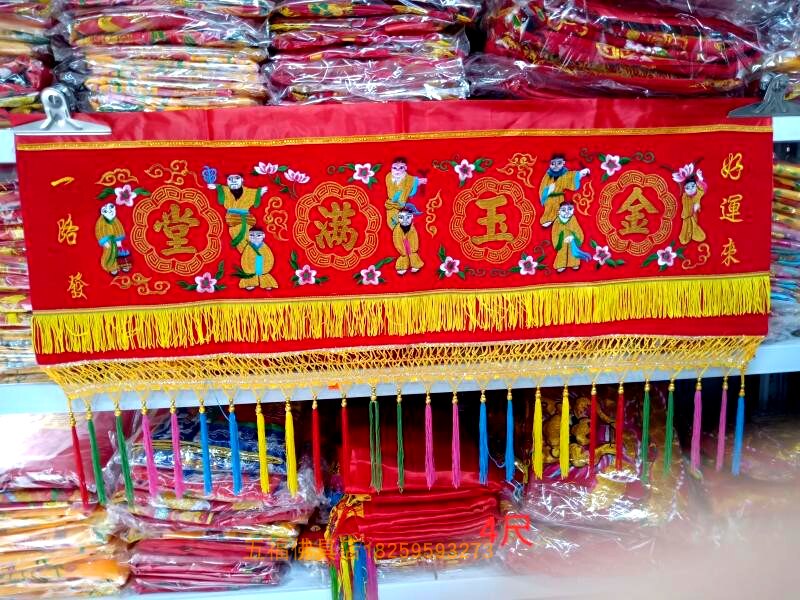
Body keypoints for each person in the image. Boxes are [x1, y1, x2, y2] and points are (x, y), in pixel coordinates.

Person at [208, 173, 267, 251]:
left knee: (250, 239)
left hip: (247, 220)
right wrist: (216, 186)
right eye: (230, 179)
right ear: (227, 181)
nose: (233, 181)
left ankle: (254, 255)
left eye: (237, 178)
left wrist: (260, 191)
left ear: (242, 180)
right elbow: (220, 192)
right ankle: (250, 255)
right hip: (233, 221)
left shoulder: (248, 191)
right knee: (238, 239)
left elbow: (256, 196)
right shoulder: (225, 190)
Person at [539, 154, 590, 228]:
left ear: (563, 163)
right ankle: (547, 220)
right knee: (549, 208)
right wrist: (548, 190)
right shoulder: (548, 175)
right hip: (549, 197)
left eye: (559, 163)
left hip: (559, 197)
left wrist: (580, 174)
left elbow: (571, 176)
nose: (556, 166)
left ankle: (559, 222)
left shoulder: (565, 174)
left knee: (559, 209)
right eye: (553, 163)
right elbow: (542, 187)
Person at [385, 157, 427, 228]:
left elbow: (415, 182)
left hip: (402, 206)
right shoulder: (388, 177)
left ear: (405, 168)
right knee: (392, 224)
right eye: (394, 168)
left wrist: (417, 181)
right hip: (390, 205)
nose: (397, 170)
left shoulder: (410, 179)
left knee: (404, 226)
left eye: (401, 168)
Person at [552, 200, 590, 272]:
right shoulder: (557, 221)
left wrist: (573, 237)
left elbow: (578, 230)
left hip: (572, 240)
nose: (567, 212)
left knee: (572, 251)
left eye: (570, 209)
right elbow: (554, 232)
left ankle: (574, 263)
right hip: (562, 241)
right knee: (561, 252)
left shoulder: (573, 219)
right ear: (559, 212)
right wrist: (561, 239)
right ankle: (561, 265)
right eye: (563, 210)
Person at [94, 203, 127, 276]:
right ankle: (111, 267)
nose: (111, 213)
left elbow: (119, 228)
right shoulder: (101, 222)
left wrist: (119, 239)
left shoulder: (115, 220)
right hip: (108, 241)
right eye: (108, 212)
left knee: (121, 251)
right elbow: (100, 231)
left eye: (112, 211)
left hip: (116, 240)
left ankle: (123, 264)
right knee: (109, 253)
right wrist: (104, 242)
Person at [392, 203, 424, 275]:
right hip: (402, 245)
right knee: (404, 254)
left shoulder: (412, 228)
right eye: (401, 217)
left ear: (412, 216)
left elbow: (415, 238)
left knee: (412, 253)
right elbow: (397, 240)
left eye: (408, 217)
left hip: (410, 244)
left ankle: (416, 264)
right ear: (397, 217)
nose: (404, 220)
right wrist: (401, 249)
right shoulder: (397, 229)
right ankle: (402, 266)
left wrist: (414, 248)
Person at [678, 175, 707, 245]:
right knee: (686, 229)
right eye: (687, 188)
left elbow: (703, 190)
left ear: (696, 186)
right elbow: (686, 209)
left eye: (693, 186)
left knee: (696, 228)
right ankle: (687, 236)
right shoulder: (685, 197)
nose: (691, 189)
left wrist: (700, 178)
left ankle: (693, 234)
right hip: (687, 216)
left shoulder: (698, 193)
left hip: (694, 215)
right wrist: (693, 208)